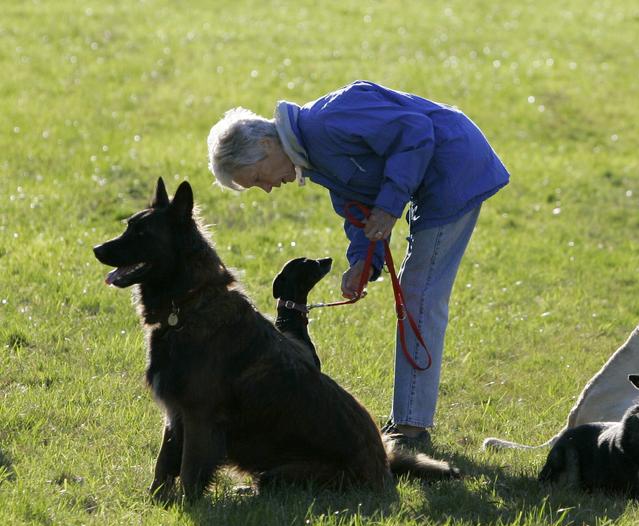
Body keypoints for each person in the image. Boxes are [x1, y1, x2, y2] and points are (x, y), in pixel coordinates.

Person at [206, 80, 509, 447]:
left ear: (267, 146)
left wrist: (389, 206)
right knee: (416, 293)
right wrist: (362, 264)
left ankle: (411, 429)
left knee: (419, 296)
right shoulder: (311, 155)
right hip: (433, 178)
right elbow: (359, 206)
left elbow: (416, 131)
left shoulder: (329, 121)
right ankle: (408, 423)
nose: (267, 188)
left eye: (257, 179)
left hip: (456, 168)